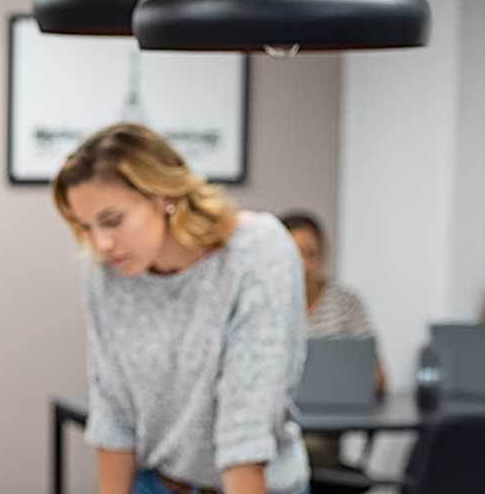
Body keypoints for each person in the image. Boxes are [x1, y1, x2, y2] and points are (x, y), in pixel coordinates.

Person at [51, 123, 308, 494]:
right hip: (157, 483)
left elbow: (245, 433)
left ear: (164, 195)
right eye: (85, 226)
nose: (101, 242)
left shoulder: (257, 253)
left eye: (112, 220)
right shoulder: (105, 274)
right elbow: (114, 413)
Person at [279, 211, 384, 474]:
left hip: (325, 432)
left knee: (306, 452)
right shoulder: (265, 304)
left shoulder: (346, 302)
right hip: (277, 426)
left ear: (323, 256)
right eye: (293, 255)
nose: (302, 265)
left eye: (310, 254)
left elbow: (379, 377)